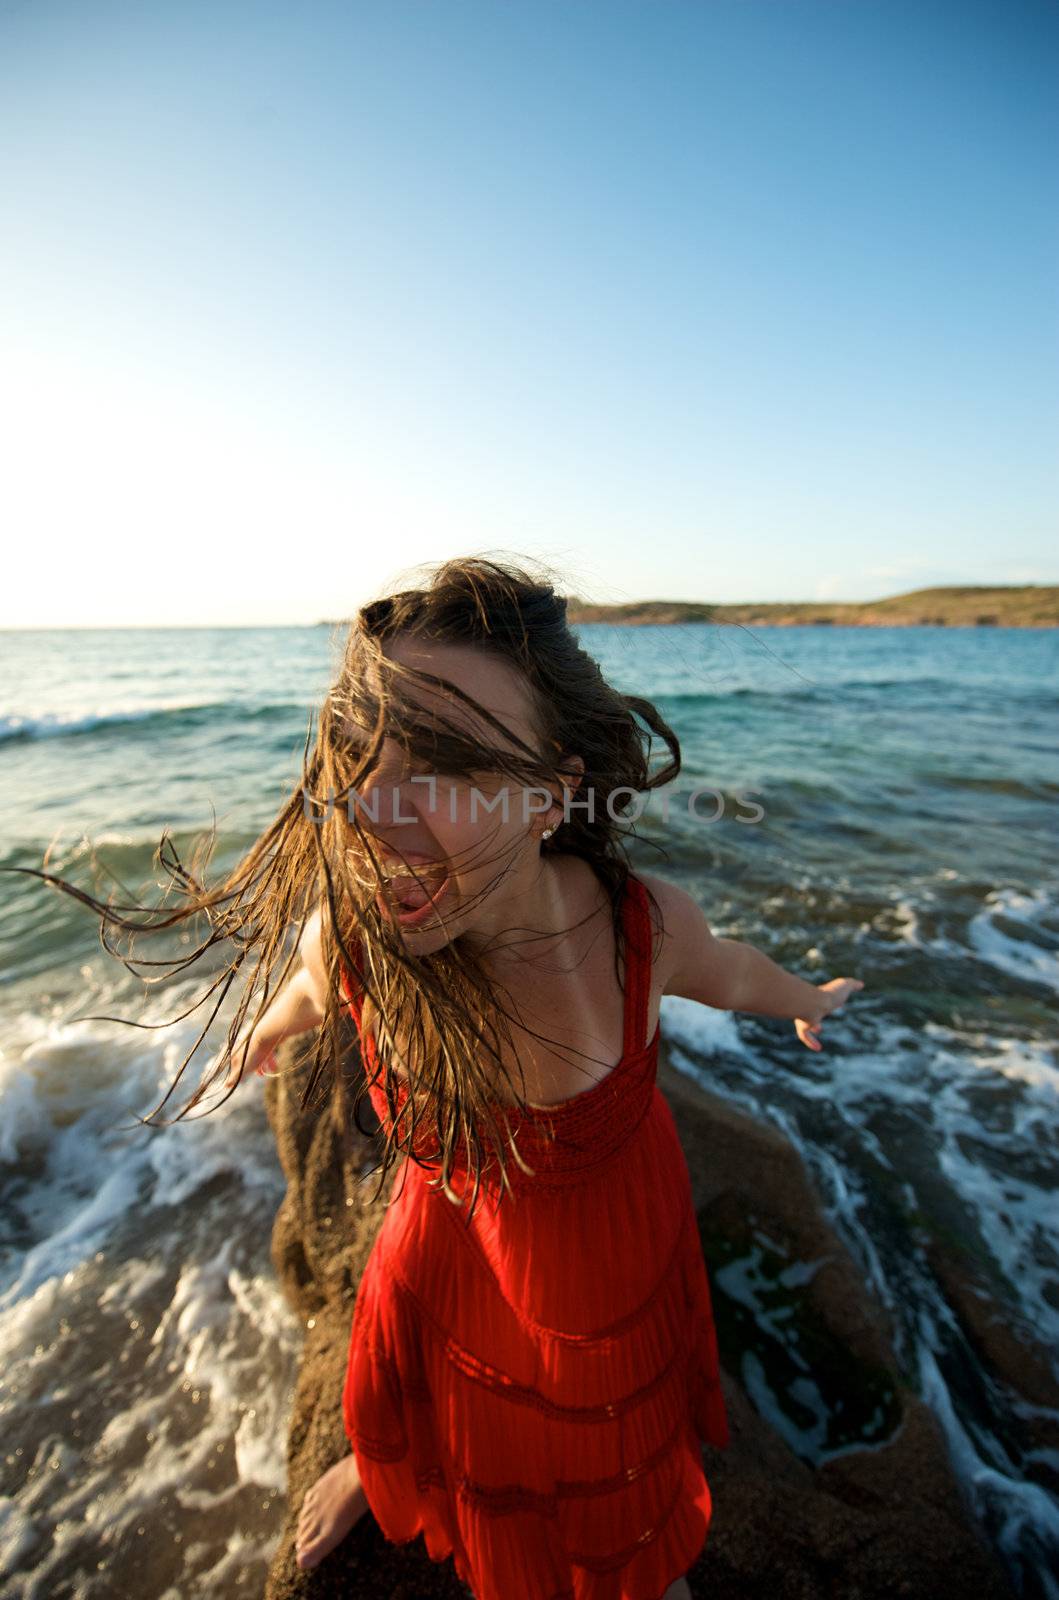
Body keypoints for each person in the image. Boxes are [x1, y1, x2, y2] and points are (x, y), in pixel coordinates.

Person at [219, 556, 865, 1599]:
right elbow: (312, 987)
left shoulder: (633, 933)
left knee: (608, 1436)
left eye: (448, 763)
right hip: (449, 1226)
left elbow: (735, 971)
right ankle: (387, 1465)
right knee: (432, 1377)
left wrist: (807, 998)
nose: (371, 811)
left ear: (553, 792)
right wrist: (270, 1030)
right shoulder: (358, 931)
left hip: (606, 1232)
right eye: (356, 747)